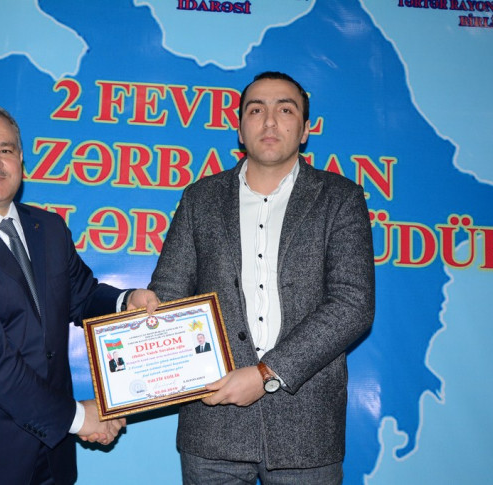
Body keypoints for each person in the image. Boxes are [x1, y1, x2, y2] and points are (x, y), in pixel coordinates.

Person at [0, 102, 159, 485]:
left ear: (20, 159)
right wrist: (78, 418)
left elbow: (82, 297)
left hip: (48, 459)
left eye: (5, 149)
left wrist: (126, 301)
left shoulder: (48, 228)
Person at [148, 72, 375, 484]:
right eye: (256, 110)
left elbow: (352, 305)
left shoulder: (341, 198)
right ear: (239, 129)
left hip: (306, 430)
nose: (269, 121)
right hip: (212, 422)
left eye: (285, 110)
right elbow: (168, 293)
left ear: (305, 130)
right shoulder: (200, 198)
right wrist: (145, 315)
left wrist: (266, 373)